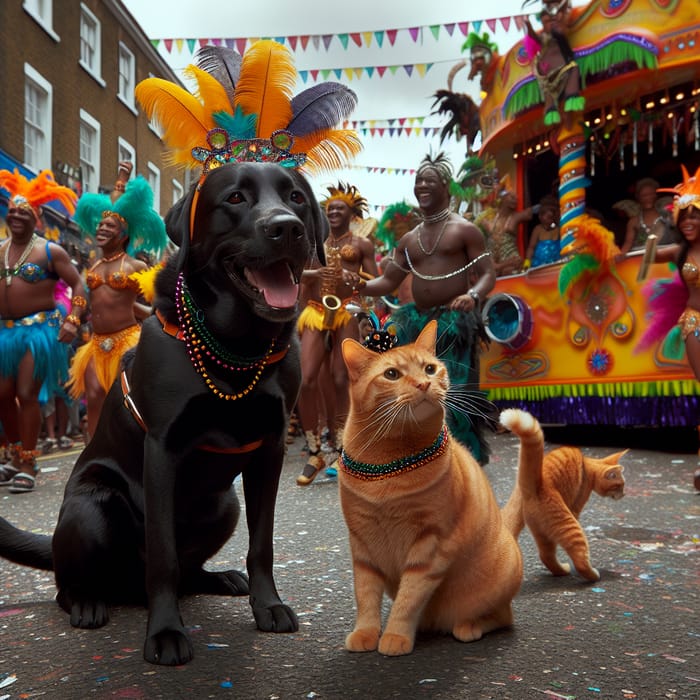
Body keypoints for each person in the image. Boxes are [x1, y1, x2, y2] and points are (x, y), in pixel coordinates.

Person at [360, 152, 496, 464]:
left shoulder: (465, 230)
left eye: (429, 181)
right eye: (418, 181)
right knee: (417, 393)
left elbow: (489, 273)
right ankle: (426, 460)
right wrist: (355, 285)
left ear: (446, 187)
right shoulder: (409, 239)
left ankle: (462, 466)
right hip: (418, 325)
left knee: (453, 396)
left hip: (454, 323)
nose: (422, 185)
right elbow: (387, 281)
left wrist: (473, 295)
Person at [0, 169, 86, 493]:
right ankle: (13, 453)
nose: (16, 216)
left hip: (39, 333)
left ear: (36, 218)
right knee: (2, 395)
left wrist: (73, 319)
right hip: (4, 333)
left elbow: (78, 283)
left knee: (26, 393)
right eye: (12, 211)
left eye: (24, 212)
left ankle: (29, 461)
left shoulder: (50, 251)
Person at [67, 165, 167, 442]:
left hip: (128, 342)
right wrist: (73, 316)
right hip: (96, 344)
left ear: (122, 236)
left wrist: (139, 313)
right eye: (100, 224)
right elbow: (81, 295)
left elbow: (157, 307)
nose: (101, 228)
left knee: (128, 403)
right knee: (95, 399)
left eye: (109, 226)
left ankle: (134, 456)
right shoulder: (93, 263)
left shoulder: (134, 265)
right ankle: (93, 459)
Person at [295, 183, 378, 486]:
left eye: (339, 208)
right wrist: (313, 275)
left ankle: (342, 447)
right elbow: (296, 275)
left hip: (346, 310)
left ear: (351, 214)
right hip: (316, 310)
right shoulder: (312, 241)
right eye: (329, 208)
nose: (332, 212)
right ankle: (315, 450)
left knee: (342, 378)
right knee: (306, 378)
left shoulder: (362, 244)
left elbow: (377, 280)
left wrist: (356, 278)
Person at [523, 0, 584, 126]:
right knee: (549, 96)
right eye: (545, 21)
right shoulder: (543, 37)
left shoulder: (560, 29)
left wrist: (561, 9)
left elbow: (564, 16)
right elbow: (533, 37)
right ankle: (553, 111)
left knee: (573, 70)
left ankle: (571, 100)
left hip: (562, 67)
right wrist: (528, 25)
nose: (549, 23)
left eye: (550, 20)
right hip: (546, 73)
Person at [478, 189, 536, 276]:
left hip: (511, 260)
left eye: (516, 198)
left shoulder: (515, 217)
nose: (515, 200)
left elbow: (531, 212)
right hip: (496, 261)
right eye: (512, 197)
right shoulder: (488, 220)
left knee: (510, 271)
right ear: (502, 198)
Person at [617, 177, 677, 257]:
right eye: (644, 195)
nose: (648, 198)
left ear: (656, 195)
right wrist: (619, 257)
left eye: (651, 194)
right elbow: (627, 244)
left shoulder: (667, 217)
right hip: (639, 262)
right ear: (638, 197)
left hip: (665, 260)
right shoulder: (633, 222)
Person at [524, 194, 561, 268]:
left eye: (550, 217)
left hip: (556, 266)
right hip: (538, 267)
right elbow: (531, 247)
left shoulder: (560, 229)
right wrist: (527, 262)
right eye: (541, 215)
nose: (541, 217)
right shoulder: (537, 229)